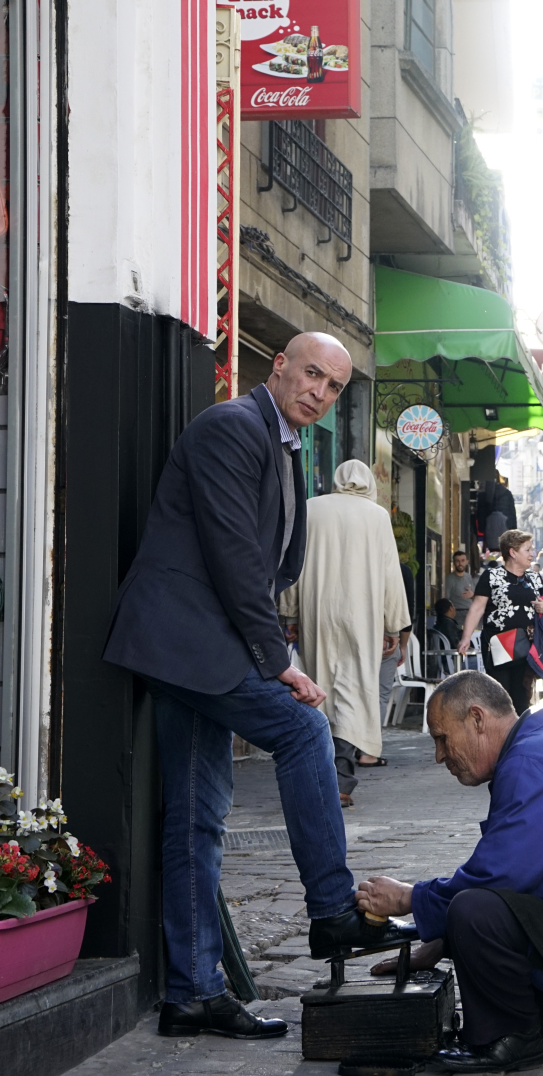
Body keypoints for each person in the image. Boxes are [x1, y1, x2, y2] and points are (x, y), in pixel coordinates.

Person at [103, 332, 395, 1039]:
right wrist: (276, 658)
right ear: (280, 366)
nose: (319, 392)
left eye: (332, 386)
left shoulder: (286, 446)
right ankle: (331, 909)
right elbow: (236, 557)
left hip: (198, 648)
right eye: (311, 375)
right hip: (189, 639)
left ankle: (192, 992)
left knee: (197, 818)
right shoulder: (232, 427)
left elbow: (274, 563)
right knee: (303, 727)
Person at [355, 672, 543, 1073]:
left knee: (474, 909)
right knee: (471, 911)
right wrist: (446, 939)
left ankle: (512, 1037)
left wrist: (409, 899)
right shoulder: (533, 752)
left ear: (477, 718)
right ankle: (511, 1028)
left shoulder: (533, 762)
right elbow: (517, 880)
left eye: (442, 739)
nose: (440, 756)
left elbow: (496, 878)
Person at [277, 459, 411, 803]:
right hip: (361, 615)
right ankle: (340, 780)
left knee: (318, 688)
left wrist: (290, 614)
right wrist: (394, 624)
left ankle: (319, 775)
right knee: (353, 693)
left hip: (317, 612)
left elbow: (294, 563)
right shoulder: (377, 516)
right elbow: (389, 574)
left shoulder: (312, 509)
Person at [458, 528, 543, 717]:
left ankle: (518, 740)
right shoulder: (491, 577)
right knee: (500, 696)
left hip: (527, 646)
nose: (532, 553)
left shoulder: (535, 578)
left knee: (522, 696)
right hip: (499, 645)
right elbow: (477, 608)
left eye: (532, 549)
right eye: (527, 550)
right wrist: (466, 637)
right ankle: (500, 739)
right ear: (513, 552)